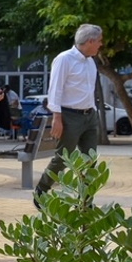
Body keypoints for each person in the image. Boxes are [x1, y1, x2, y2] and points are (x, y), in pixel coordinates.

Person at [34, 24, 104, 205]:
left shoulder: (90, 61)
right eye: (99, 41)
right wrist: (57, 118)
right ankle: (41, 191)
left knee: (90, 161)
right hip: (69, 116)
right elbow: (55, 89)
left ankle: (86, 201)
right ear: (90, 41)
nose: (101, 45)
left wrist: (93, 112)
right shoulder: (64, 59)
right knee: (63, 158)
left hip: (89, 116)